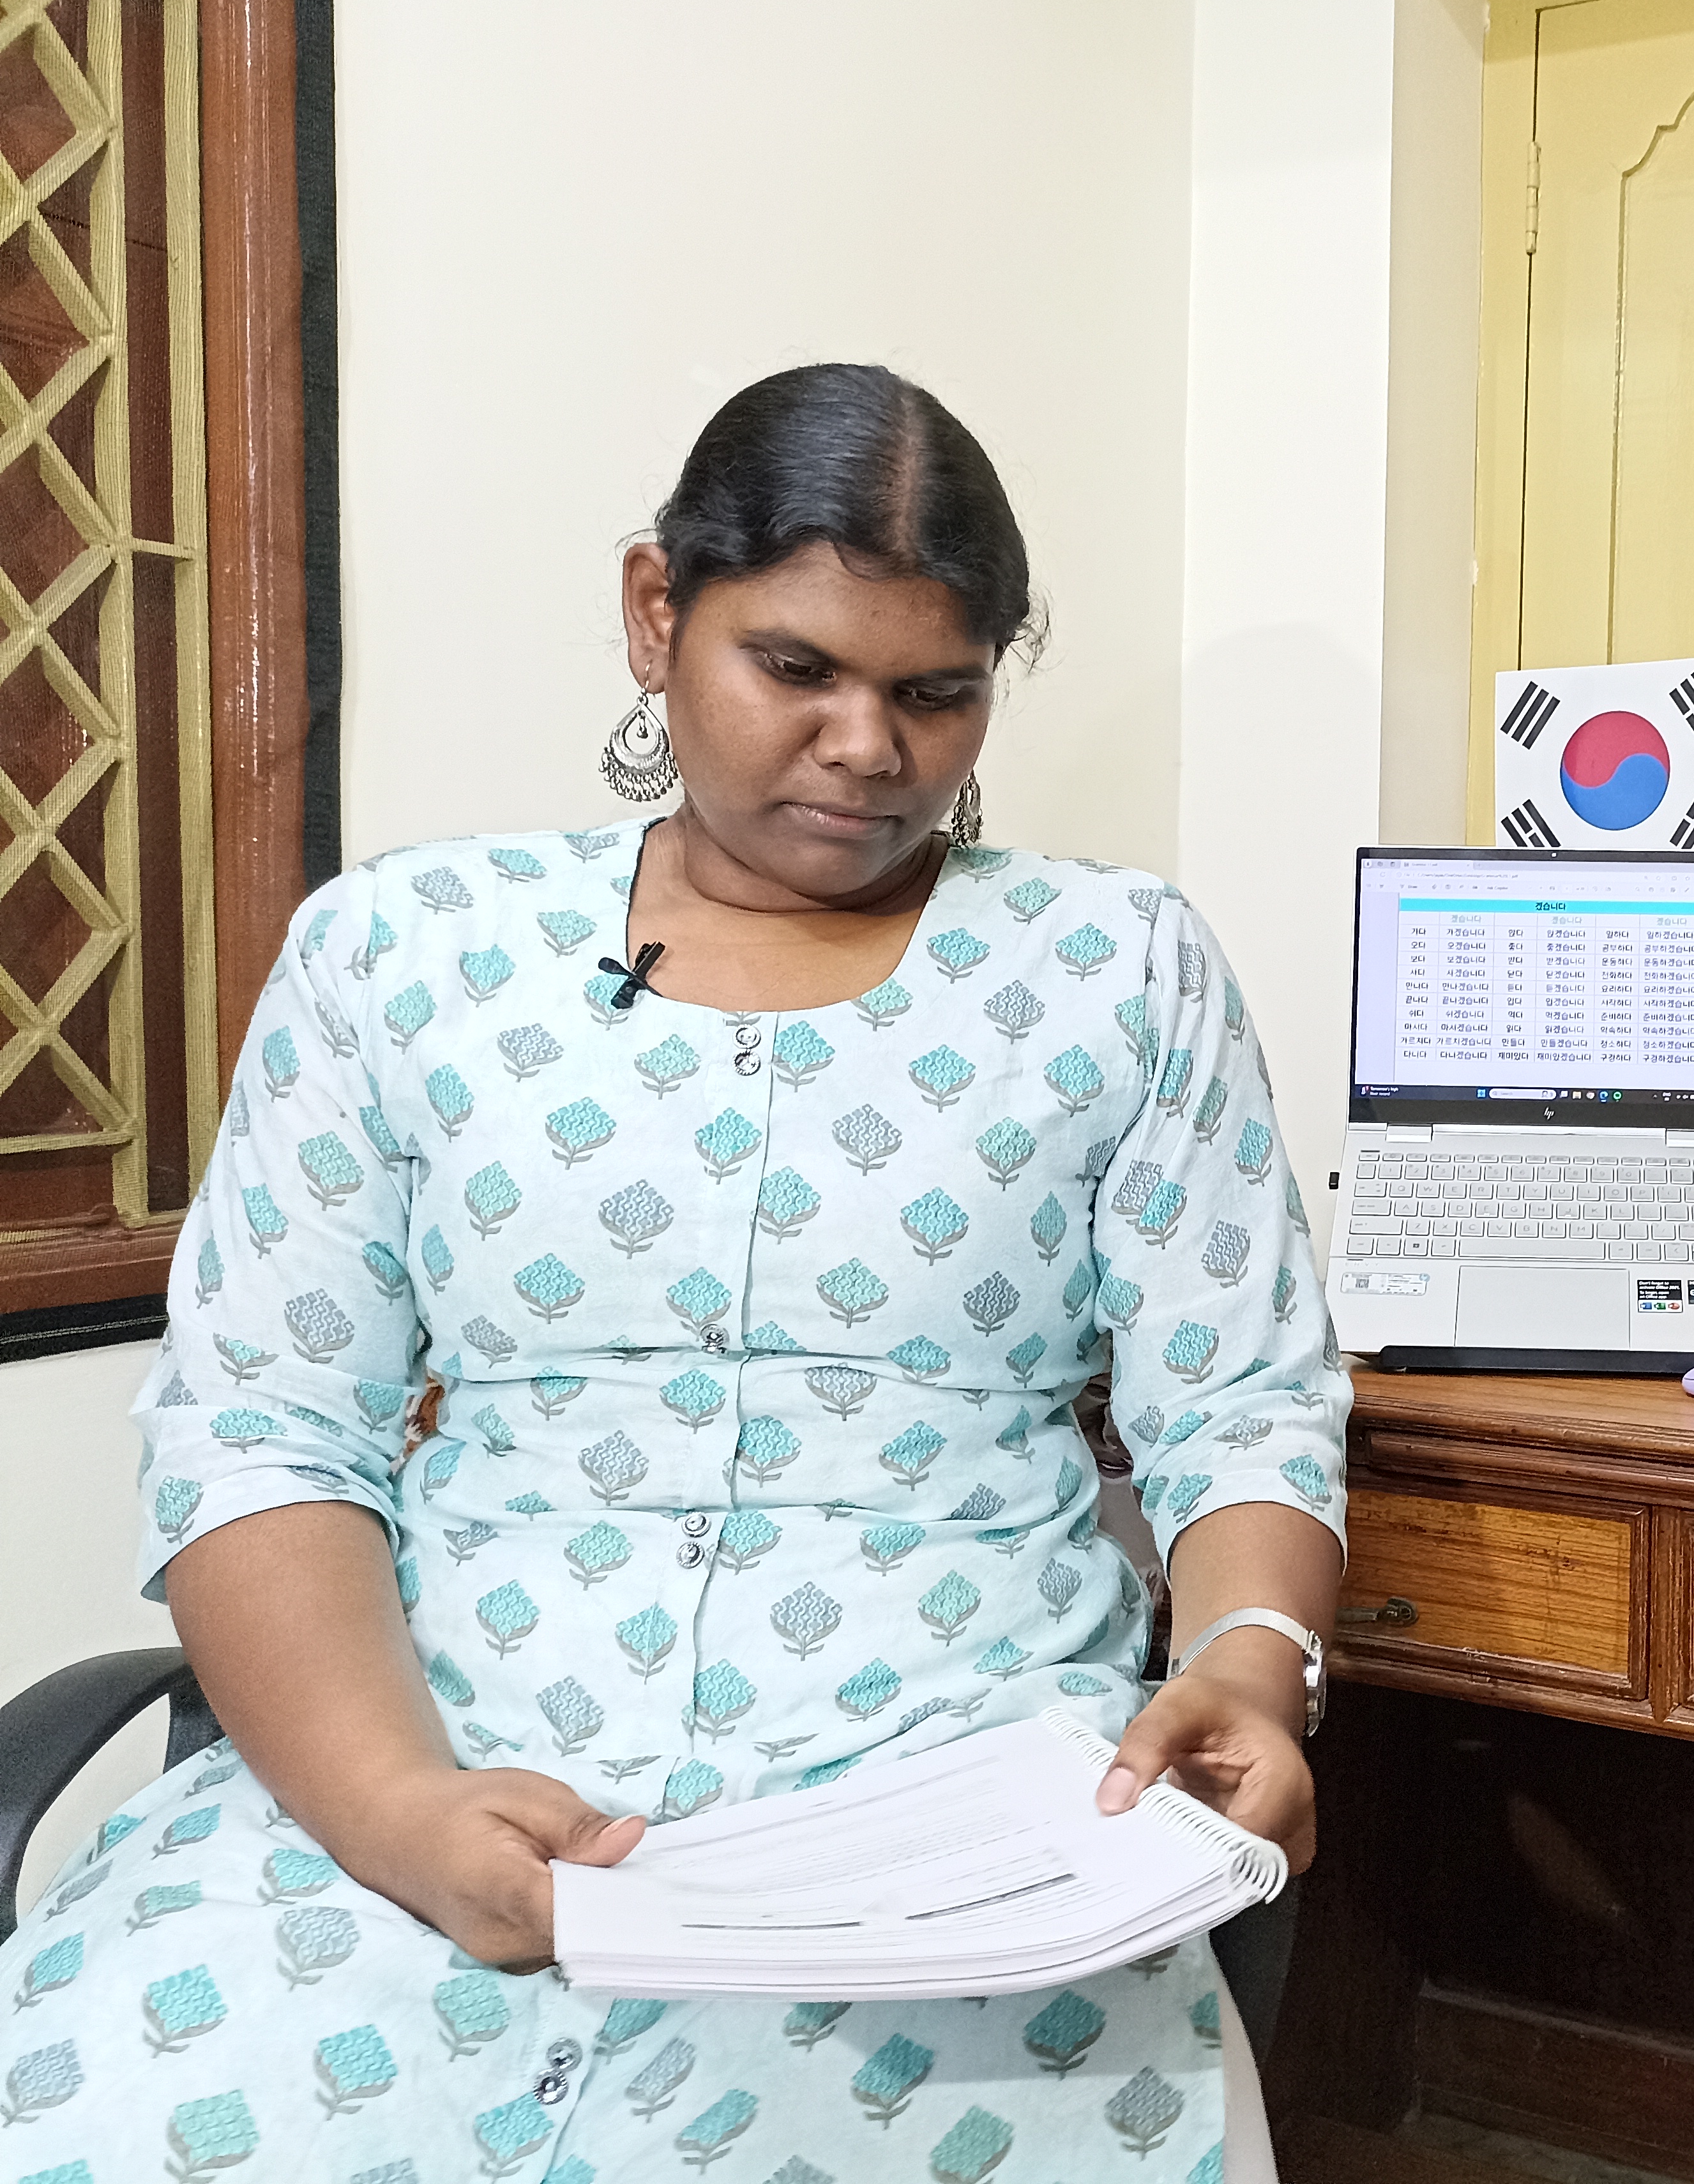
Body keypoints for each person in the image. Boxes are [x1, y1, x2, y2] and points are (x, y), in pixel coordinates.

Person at [0, 363, 1342, 2181]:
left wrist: (1254, 1667)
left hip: (943, 1818)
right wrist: (398, 1812)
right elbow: (263, 1425)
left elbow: (1244, 1397)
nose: (868, 749)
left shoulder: (1121, 969)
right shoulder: (405, 954)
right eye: (794, 669)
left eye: (933, 694)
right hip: (443, 1751)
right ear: (658, 613)